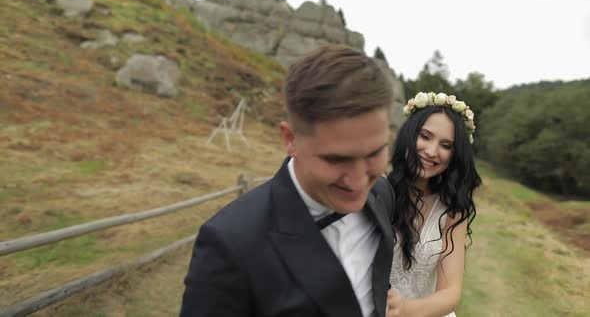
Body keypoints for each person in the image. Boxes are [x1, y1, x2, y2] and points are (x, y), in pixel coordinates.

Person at [179, 45, 398, 317]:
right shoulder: (229, 245)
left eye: (375, 153)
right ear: (290, 139)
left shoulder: (382, 194)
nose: (358, 182)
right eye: (335, 160)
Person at [385, 92, 482, 317]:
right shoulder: (377, 191)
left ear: (455, 155)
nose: (431, 151)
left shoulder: (453, 211)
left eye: (446, 145)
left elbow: (451, 292)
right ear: (409, 135)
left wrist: (408, 309)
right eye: (425, 136)